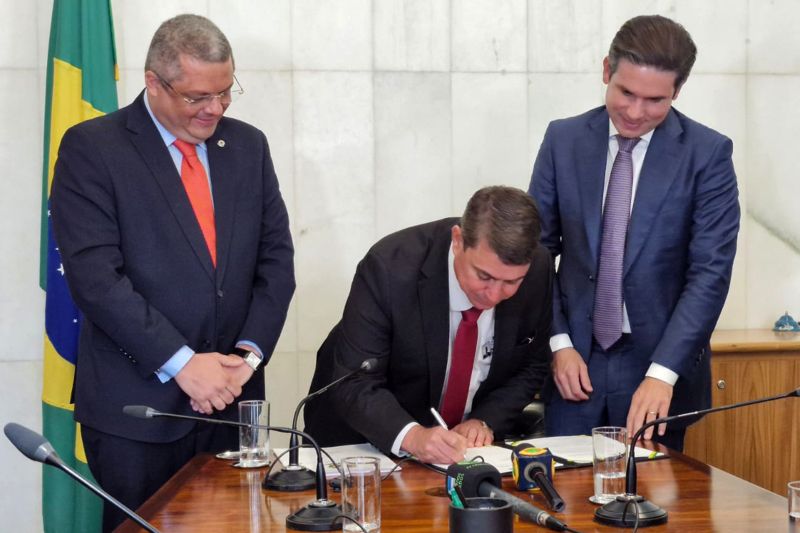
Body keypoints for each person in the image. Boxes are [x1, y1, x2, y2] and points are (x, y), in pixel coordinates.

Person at [50, 14, 294, 531]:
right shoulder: (93, 148)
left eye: (225, 92)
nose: (215, 108)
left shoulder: (248, 146)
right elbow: (96, 279)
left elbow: (276, 263)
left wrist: (246, 360)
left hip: (232, 403)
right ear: (154, 83)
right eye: (198, 97)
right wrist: (182, 363)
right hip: (137, 413)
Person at [528, 15, 739, 451]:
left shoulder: (707, 155)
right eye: (626, 93)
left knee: (652, 491)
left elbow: (709, 274)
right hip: (573, 364)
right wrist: (558, 343)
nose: (635, 112)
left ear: (677, 91)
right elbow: (536, 254)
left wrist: (663, 373)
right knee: (562, 488)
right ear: (607, 70)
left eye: (655, 100)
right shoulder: (563, 140)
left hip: (657, 370)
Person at [304, 186, 553, 464]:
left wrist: (484, 420)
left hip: (460, 456)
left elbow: (532, 365)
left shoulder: (539, 269)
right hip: (364, 444)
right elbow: (354, 380)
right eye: (484, 276)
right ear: (457, 241)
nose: (494, 295)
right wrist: (412, 437)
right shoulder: (389, 267)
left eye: (511, 282)